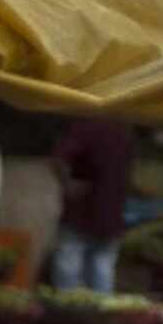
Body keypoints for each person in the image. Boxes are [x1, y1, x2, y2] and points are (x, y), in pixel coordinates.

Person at [50, 112, 139, 296]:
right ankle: (100, 322)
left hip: (81, 216)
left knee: (68, 278)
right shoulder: (123, 134)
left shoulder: (85, 131)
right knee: (102, 278)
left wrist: (68, 185)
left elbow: (58, 160)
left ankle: (66, 320)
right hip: (111, 218)